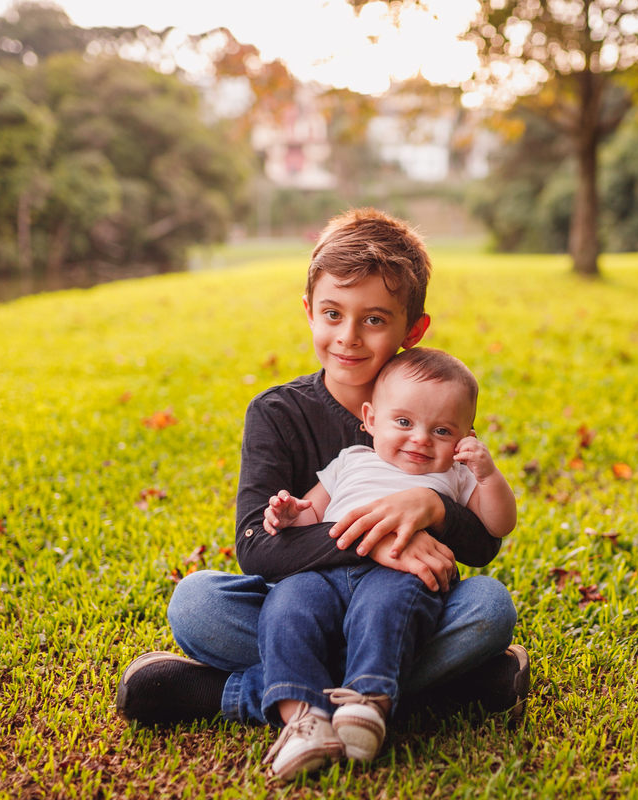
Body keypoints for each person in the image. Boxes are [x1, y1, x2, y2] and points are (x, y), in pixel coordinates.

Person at [115, 207, 530, 751]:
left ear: (413, 329)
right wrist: (374, 540)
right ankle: (442, 688)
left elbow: (482, 547)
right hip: (298, 606)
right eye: (333, 314)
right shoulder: (275, 413)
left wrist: (434, 509)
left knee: (489, 608)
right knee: (196, 603)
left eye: (374, 320)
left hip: (403, 607)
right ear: (310, 311)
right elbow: (257, 549)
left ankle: (228, 694)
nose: (348, 337)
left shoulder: (432, 406)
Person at [257, 347, 516, 780]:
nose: (420, 439)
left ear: (464, 438)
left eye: (441, 430)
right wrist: (287, 515)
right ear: (371, 419)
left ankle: (367, 701)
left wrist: (487, 476)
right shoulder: (349, 461)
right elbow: (311, 515)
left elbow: (498, 524)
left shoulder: (455, 475)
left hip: (400, 575)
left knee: (391, 612)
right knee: (284, 605)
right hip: (322, 576)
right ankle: (304, 718)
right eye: (404, 422)